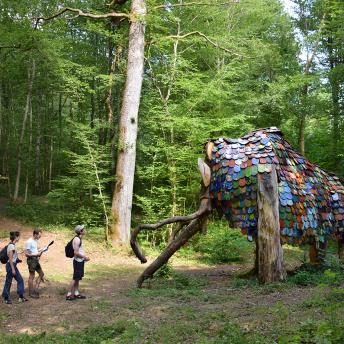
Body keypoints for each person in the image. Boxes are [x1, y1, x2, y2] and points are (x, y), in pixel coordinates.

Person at [2, 231, 28, 304]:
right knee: (8, 281)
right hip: (11, 266)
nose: (19, 238)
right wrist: (13, 269)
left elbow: (13, 256)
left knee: (20, 280)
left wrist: (19, 254)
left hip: (13, 265)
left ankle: (21, 296)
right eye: (19, 236)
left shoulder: (13, 245)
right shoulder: (11, 246)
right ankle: (6, 298)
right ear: (16, 237)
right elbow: (10, 258)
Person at [66, 225, 90, 301]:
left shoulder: (79, 238)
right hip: (77, 261)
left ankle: (76, 293)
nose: (85, 230)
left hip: (80, 261)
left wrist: (83, 258)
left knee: (78, 278)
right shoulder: (77, 240)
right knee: (75, 278)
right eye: (84, 229)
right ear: (80, 231)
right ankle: (69, 294)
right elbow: (76, 253)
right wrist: (84, 257)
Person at [25, 229, 45, 298]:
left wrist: (42, 250)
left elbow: (34, 250)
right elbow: (27, 254)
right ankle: (31, 292)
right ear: (35, 234)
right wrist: (36, 255)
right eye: (39, 236)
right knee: (32, 276)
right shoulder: (29, 242)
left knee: (41, 274)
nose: (40, 237)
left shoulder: (36, 241)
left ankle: (35, 288)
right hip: (31, 260)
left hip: (35, 260)